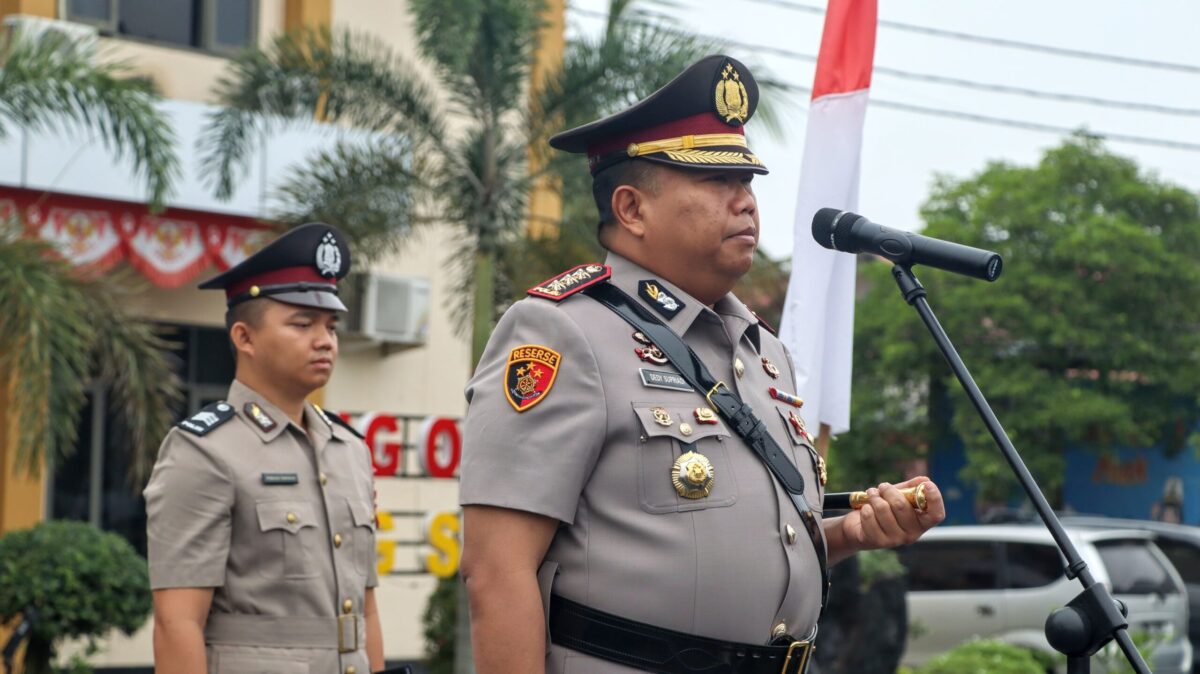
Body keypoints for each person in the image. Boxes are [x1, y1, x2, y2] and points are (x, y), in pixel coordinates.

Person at [459, 55, 946, 674]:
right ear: (631, 209)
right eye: (717, 181)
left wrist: (853, 533)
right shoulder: (563, 331)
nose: (745, 203)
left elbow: (755, 542)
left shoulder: (764, 353)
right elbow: (497, 572)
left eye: (748, 182)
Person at [145, 223, 384, 674]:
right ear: (244, 338)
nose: (325, 340)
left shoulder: (349, 450)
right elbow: (177, 623)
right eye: (302, 324)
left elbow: (365, 612)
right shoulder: (203, 452)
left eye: (330, 326)